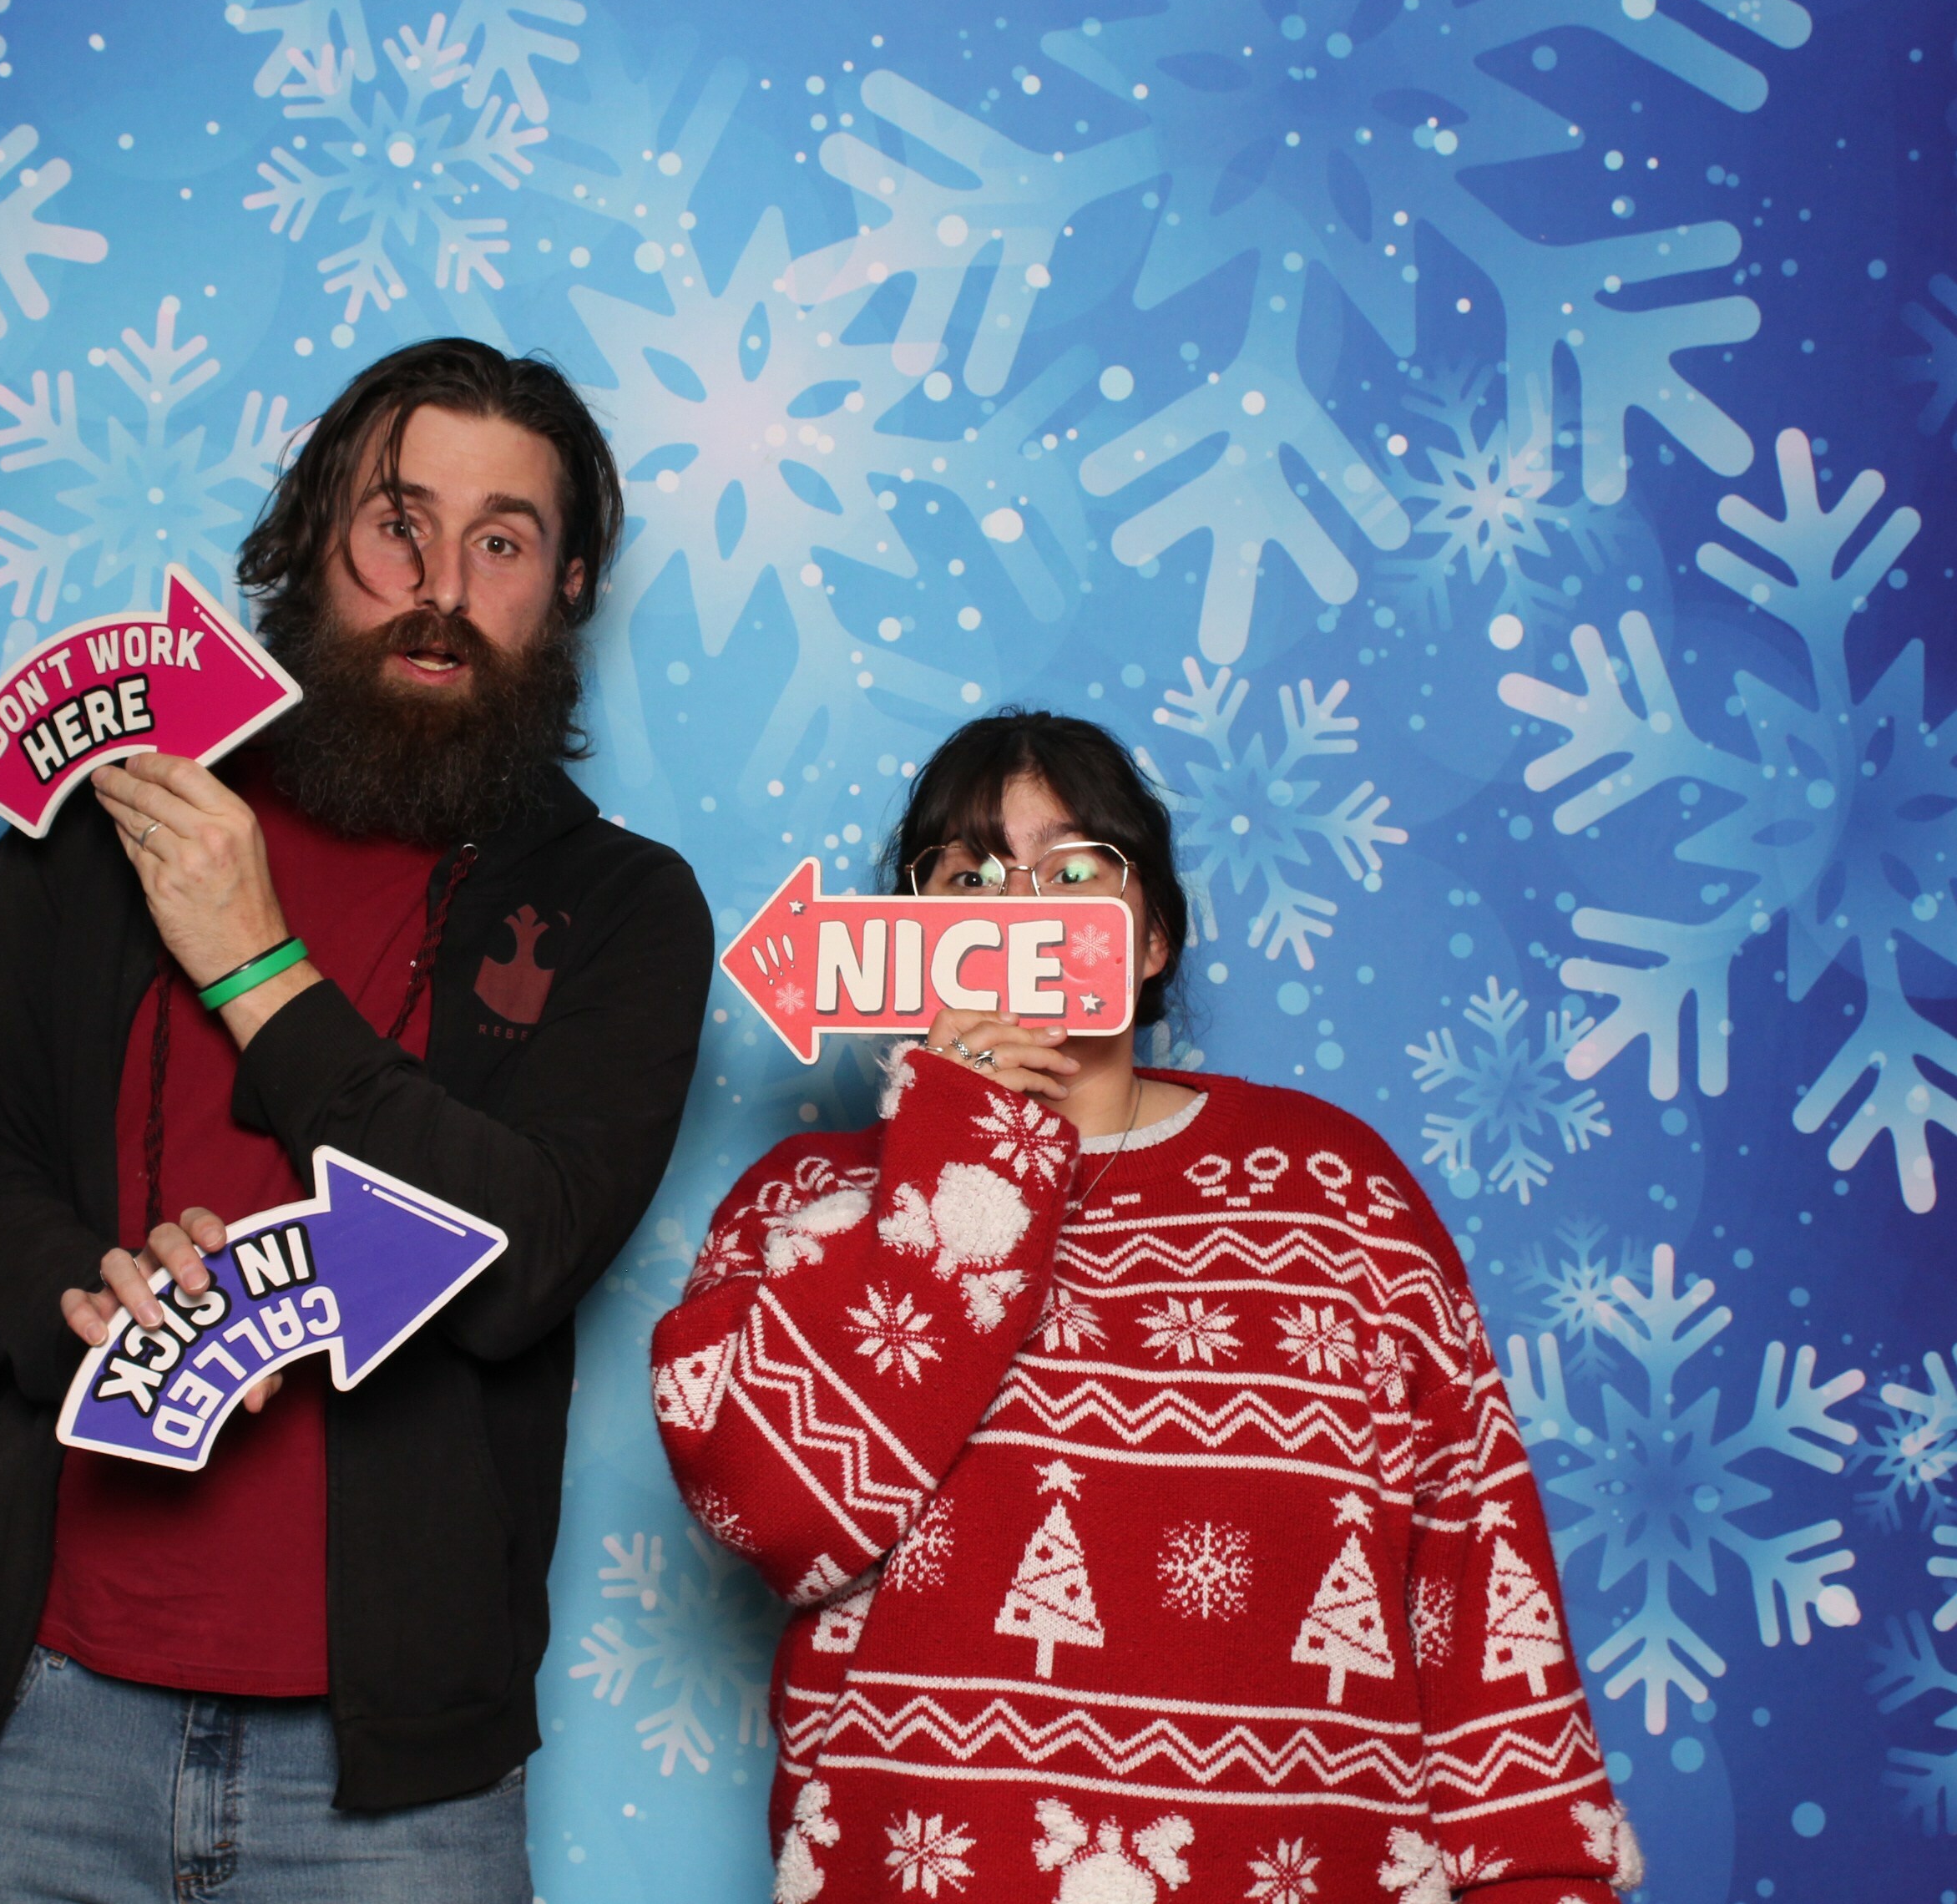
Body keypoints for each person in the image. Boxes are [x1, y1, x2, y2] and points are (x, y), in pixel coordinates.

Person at [0, 338, 714, 1902]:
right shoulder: (116, 824)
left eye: (502, 542)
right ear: (312, 541)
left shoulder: (623, 908)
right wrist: (79, 1295)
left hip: (391, 1799)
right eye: (399, 526)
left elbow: (519, 1261)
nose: (440, 588)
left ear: (569, 587)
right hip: (30, 1718)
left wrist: (256, 965)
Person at [650, 711, 1639, 1904]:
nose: (1020, 911)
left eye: (1073, 871)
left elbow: (1476, 1565)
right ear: (905, 940)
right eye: (968, 877)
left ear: (1154, 935)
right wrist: (966, 1148)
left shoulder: (1338, 1191)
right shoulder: (804, 1205)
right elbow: (773, 1515)